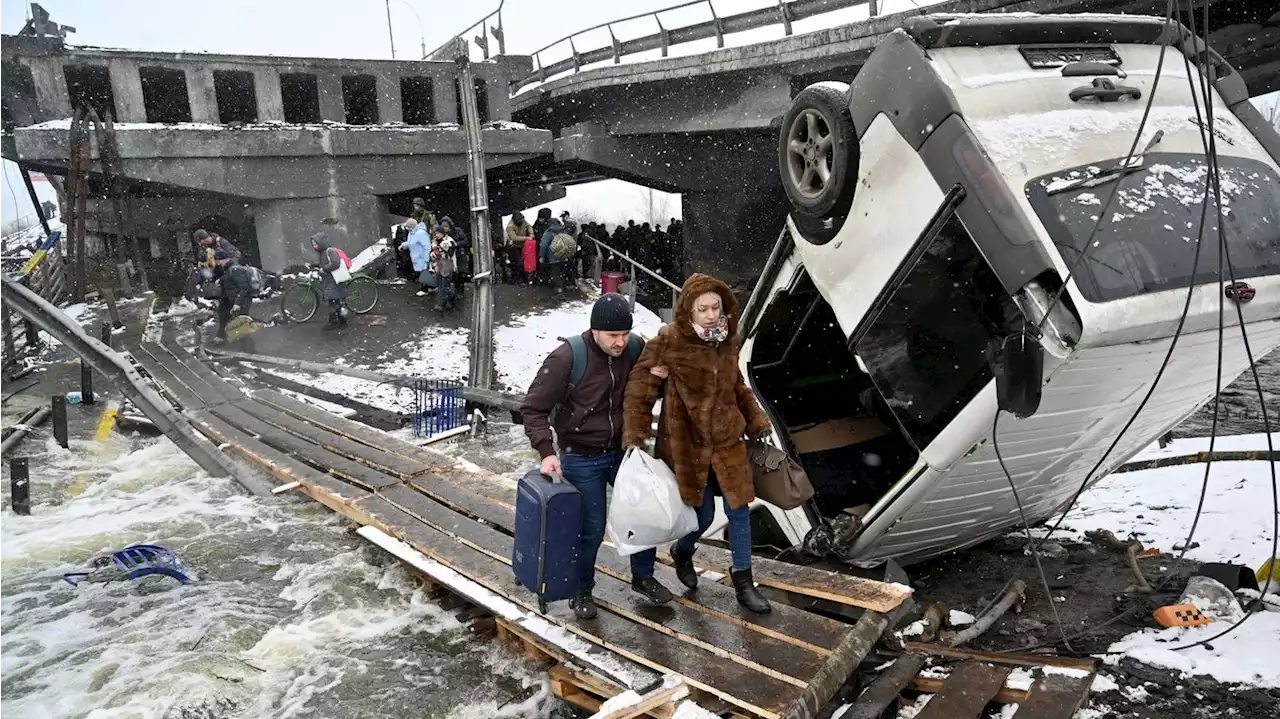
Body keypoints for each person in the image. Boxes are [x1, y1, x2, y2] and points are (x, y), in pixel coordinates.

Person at [622, 273, 774, 614]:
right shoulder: (668, 341)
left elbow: (737, 386)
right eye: (702, 308)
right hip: (686, 446)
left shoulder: (727, 340)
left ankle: (744, 582)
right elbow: (640, 390)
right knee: (701, 516)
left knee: (739, 510)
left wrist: (755, 419)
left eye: (715, 308)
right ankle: (683, 551)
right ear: (688, 310)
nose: (710, 315)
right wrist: (635, 435)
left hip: (727, 443)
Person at [521, 294, 677, 620]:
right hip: (581, 455)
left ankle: (644, 577)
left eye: (625, 334)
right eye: (613, 336)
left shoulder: (636, 348)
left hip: (625, 451)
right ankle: (582, 589)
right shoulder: (567, 358)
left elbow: (651, 388)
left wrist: (662, 378)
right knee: (591, 528)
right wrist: (546, 452)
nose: (621, 342)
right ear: (595, 331)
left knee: (645, 515)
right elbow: (533, 409)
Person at [309, 232, 349, 329]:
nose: (314, 246)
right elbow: (325, 262)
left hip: (334, 280)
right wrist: (315, 265)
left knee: (332, 301)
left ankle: (334, 322)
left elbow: (336, 263)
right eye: (313, 244)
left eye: (316, 243)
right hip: (330, 280)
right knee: (334, 302)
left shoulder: (330, 251)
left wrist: (324, 269)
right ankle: (341, 320)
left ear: (321, 243)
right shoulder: (322, 252)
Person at [428, 226, 459, 311]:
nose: (437, 235)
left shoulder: (449, 242)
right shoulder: (435, 242)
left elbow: (451, 255)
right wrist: (433, 255)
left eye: (438, 233)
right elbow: (433, 253)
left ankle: (441, 304)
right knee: (441, 284)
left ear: (442, 233)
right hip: (438, 266)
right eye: (436, 233)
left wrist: (444, 249)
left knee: (444, 285)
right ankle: (450, 298)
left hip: (447, 266)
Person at [400, 218, 433, 296]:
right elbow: (410, 243)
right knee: (422, 273)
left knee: (423, 273)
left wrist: (426, 258)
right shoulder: (411, 233)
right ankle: (429, 287)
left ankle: (425, 289)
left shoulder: (420, 233)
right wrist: (404, 245)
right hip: (416, 257)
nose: (407, 229)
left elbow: (427, 246)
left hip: (421, 257)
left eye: (408, 227)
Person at [505, 212, 534, 284]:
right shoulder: (510, 226)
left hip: (523, 245)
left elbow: (528, 226)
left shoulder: (523, 221)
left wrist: (531, 233)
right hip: (513, 246)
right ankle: (517, 280)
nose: (522, 221)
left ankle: (524, 279)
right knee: (518, 263)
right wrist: (527, 238)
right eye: (519, 221)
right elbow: (514, 238)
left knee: (525, 262)